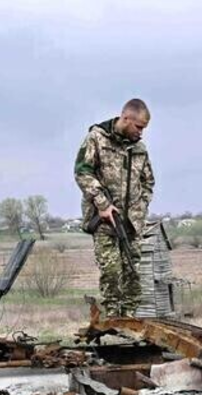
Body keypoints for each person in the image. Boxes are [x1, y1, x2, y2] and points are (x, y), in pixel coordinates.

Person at [74, 98, 156, 317]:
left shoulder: (139, 149)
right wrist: (103, 204)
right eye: (138, 127)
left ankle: (129, 317)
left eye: (144, 128)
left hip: (132, 224)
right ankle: (112, 315)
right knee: (111, 272)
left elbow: (148, 182)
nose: (141, 133)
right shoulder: (97, 138)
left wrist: (141, 208)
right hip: (104, 221)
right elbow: (82, 171)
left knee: (132, 272)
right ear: (126, 118)